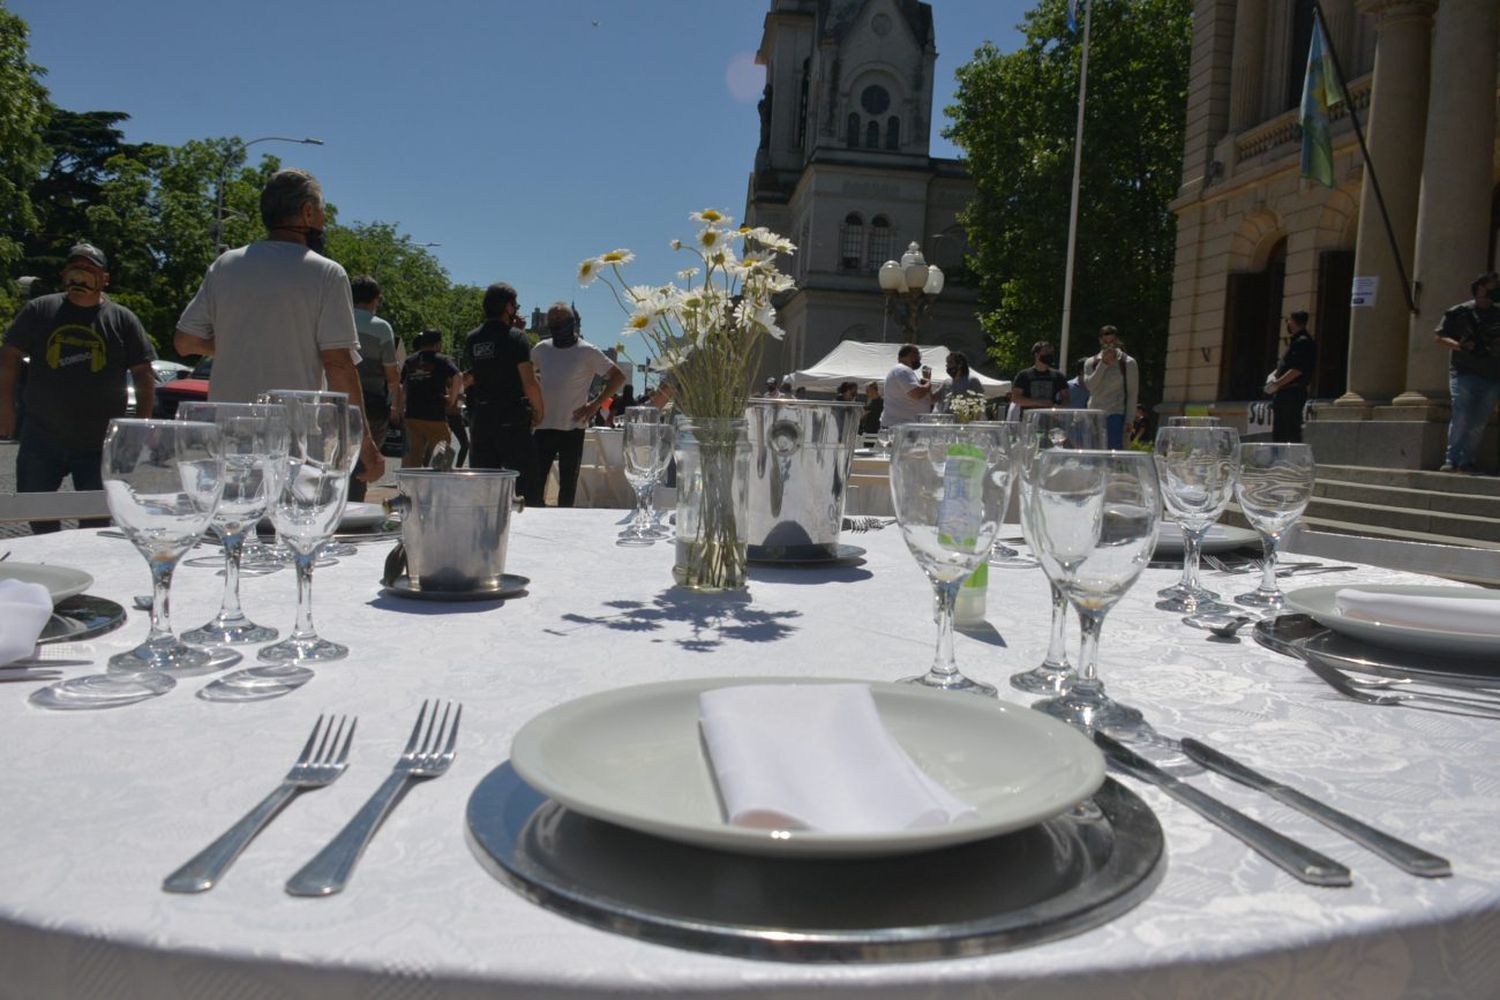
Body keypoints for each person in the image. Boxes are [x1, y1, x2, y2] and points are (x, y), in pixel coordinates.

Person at [174, 168, 384, 482]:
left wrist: (230, 343)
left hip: (225, 429)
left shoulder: (226, 264)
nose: (324, 220)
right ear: (308, 212)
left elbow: (185, 341)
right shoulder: (326, 274)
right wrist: (364, 445)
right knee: (283, 524)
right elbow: (338, 364)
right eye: (322, 212)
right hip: (290, 435)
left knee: (233, 518)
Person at [0, 242, 156, 533]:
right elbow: (8, 356)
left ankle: (88, 571)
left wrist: (140, 428)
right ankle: (47, 566)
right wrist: (5, 408)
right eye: (75, 268)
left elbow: (144, 374)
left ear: (104, 279)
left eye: (89, 269)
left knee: (95, 520)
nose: (80, 275)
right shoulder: (40, 310)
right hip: (41, 436)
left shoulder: (121, 319)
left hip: (99, 443)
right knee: (36, 510)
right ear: (64, 274)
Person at [531, 303, 625, 507]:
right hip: (543, 425)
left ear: (571, 324)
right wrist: (533, 402)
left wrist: (594, 405)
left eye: (560, 321)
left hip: (572, 427)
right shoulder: (541, 349)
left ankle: (564, 529)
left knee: (567, 487)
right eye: (552, 322)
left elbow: (618, 377)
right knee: (534, 485)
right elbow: (526, 374)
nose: (556, 326)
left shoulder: (587, 351)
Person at [464, 282, 544, 505]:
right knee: (526, 481)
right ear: (508, 307)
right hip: (511, 417)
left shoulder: (473, 338)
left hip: (481, 417)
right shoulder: (517, 338)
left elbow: (477, 373)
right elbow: (528, 381)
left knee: (483, 482)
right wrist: (539, 410)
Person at [1434, 273, 1500, 472]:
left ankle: (1467, 460)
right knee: (1462, 416)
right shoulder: (1460, 312)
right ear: (1479, 289)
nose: (1495, 291)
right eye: (1492, 287)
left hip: (1492, 375)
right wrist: (1461, 347)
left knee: (1479, 421)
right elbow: (1439, 337)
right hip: (1464, 373)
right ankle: (1451, 459)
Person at [349, 274, 399, 501]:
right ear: (375, 300)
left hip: (334, 401)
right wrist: (396, 404)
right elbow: (391, 373)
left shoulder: (338, 320)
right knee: (363, 464)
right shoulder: (381, 328)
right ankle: (353, 511)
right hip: (371, 404)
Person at [398, 329, 460, 467]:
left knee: (414, 454)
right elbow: (458, 376)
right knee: (443, 452)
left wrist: (400, 407)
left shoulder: (410, 360)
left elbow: (403, 385)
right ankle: (439, 482)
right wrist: (452, 398)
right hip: (434, 414)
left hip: (412, 414)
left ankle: (411, 485)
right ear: (438, 344)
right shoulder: (442, 360)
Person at [1264, 310, 1317, 444]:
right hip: (1285, 392)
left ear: (1293, 322)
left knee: (1289, 430)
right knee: (1280, 430)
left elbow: (1297, 369)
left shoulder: (1303, 342)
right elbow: (1286, 365)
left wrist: (1277, 384)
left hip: (1292, 393)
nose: (1287, 323)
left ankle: (1290, 461)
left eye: (1289, 320)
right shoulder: (1295, 341)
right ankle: (1280, 460)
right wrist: (1273, 377)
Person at [1082, 325, 1140, 448]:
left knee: (1113, 455)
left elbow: (1132, 393)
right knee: (1094, 456)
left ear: (1117, 341)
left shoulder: (1128, 363)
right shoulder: (1091, 363)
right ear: (1100, 341)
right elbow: (1090, 386)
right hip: (1094, 414)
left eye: (1112, 342)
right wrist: (1103, 364)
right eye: (1105, 342)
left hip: (1116, 413)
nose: (1109, 345)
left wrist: (1129, 420)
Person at [880, 344, 936, 428]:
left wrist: (926, 380)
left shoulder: (903, 371)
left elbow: (929, 399)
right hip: (900, 426)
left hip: (903, 425)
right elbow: (916, 394)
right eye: (917, 355)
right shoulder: (902, 370)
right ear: (911, 355)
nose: (919, 359)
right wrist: (928, 382)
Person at [1011, 341, 1070, 412]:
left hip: (1051, 418)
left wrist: (1060, 408)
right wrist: (1040, 402)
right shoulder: (1024, 375)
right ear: (1036, 355)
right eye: (1046, 351)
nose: (1049, 354)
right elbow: (1016, 398)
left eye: (1051, 352)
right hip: (1030, 417)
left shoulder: (1058, 376)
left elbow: (1066, 397)